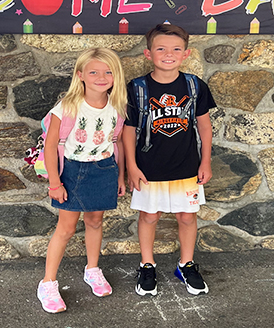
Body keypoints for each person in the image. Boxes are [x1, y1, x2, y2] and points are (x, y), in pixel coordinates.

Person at [123, 24, 216, 297]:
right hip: (148, 167)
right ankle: (147, 264)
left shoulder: (194, 86)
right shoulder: (137, 88)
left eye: (176, 49)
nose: (168, 54)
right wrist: (131, 165)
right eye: (160, 48)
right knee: (149, 216)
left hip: (186, 165)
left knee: (187, 216)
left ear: (186, 54)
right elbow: (128, 130)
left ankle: (185, 264)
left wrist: (206, 162)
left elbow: (205, 127)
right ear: (148, 53)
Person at [37, 48, 127, 313]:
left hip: (104, 169)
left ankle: (92, 269)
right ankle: (48, 283)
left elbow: (117, 141)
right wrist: (55, 183)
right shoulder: (66, 107)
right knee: (65, 228)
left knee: (95, 221)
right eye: (94, 72)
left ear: (116, 76)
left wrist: (119, 175)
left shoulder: (117, 107)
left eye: (108, 71)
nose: (102, 77)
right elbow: (50, 146)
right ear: (80, 75)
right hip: (73, 171)